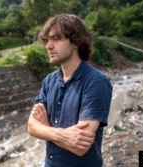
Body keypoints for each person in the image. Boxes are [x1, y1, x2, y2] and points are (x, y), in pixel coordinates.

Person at [27, 14, 113, 167]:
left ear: (76, 42)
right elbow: (31, 127)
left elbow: (79, 146)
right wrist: (62, 135)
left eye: (56, 38)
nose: (48, 46)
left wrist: (45, 128)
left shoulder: (96, 82)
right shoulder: (49, 81)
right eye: (47, 40)